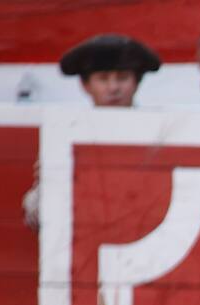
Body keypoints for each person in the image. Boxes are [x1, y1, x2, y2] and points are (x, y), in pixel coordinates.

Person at [24, 34, 161, 228]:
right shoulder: (67, 136)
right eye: (103, 79)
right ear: (86, 85)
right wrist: (49, 183)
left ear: (136, 83)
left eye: (122, 78)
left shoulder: (158, 131)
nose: (113, 88)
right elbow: (35, 217)